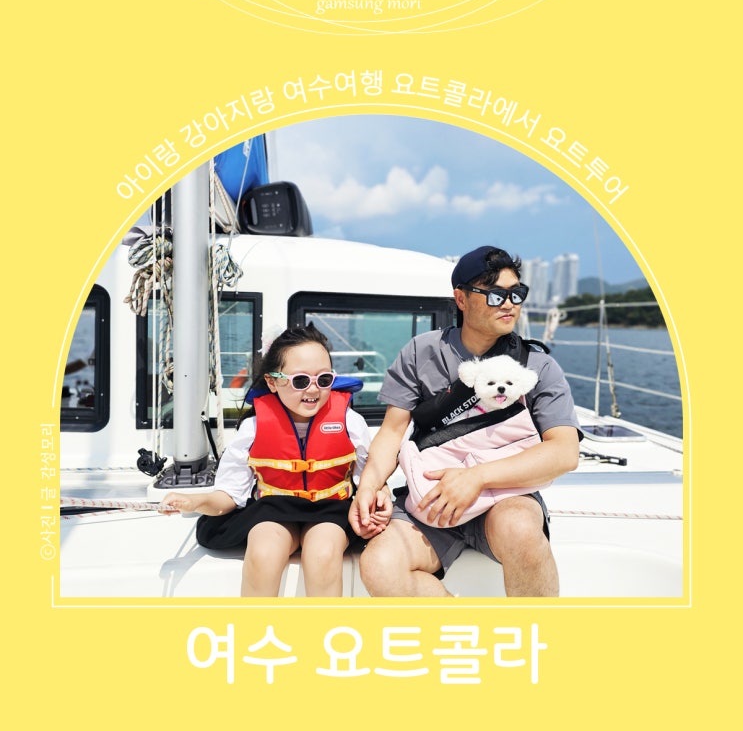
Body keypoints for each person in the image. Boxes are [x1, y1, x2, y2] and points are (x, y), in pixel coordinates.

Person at [349, 246, 582, 597]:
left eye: (516, 293)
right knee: (380, 565)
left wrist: (475, 477)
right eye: (495, 295)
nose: (509, 304)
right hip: (431, 500)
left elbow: (564, 452)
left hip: (505, 497)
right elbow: (392, 431)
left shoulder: (538, 367)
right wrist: (368, 486)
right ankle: (465, 628)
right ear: (461, 298)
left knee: (521, 529)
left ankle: (535, 632)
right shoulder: (421, 352)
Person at [162, 324, 390, 597]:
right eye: (300, 381)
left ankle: (326, 624)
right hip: (273, 509)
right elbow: (229, 495)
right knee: (264, 552)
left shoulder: (351, 423)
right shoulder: (253, 428)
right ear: (272, 382)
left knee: (322, 553)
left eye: (324, 379)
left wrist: (381, 495)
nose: (313, 389)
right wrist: (195, 502)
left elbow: (371, 479)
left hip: (331, 509)